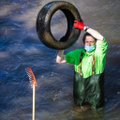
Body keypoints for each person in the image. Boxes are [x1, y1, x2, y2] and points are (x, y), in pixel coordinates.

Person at [56, 20, 108, 111]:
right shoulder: (78, 53)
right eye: (87, 42)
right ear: (83, 43)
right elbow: (59, 60)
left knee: (97, 113)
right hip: (80, 92)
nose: (89, 44)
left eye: (92, 42)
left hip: (96, 94)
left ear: (96, 44)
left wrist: (84, 27)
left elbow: (101, 38)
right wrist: (61, 47)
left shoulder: (99, 54)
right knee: (78, 111)